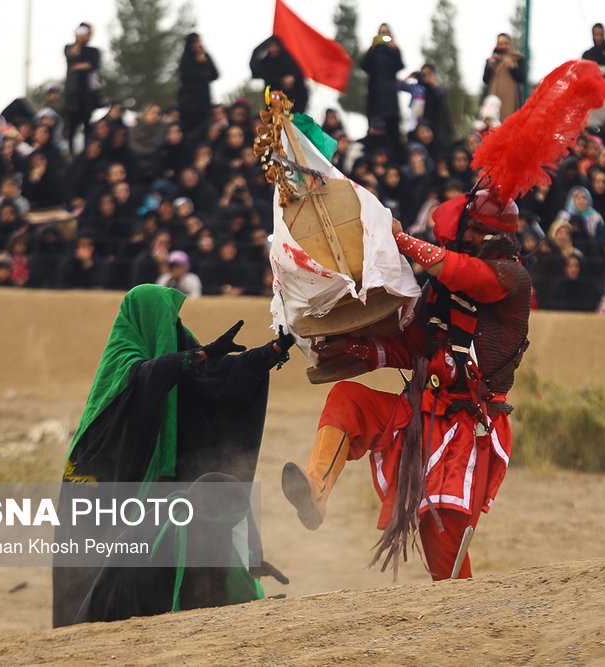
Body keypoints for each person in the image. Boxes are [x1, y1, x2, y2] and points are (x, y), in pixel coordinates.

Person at [281, 189, 531, 582]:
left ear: (480, 233)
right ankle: (315, 489)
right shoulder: (443, 288)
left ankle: (463, 619)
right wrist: (354, 347)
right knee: (347, 400)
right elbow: (414, 345)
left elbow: (468, 275)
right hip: (422, 409)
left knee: (442, 539)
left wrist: (400, 240)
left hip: (470, 426)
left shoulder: (510, 278)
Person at [53, 284, 295, 627]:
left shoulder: (180, 346)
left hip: (165, 484)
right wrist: (196, 358)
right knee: (102, 586)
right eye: (165, 318)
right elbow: (146, 375)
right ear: (144, 318)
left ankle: (229, 597)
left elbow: (218, 376)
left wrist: (274, 349)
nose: (173, 326)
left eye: (175, 318)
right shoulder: (121, 359)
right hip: (112, 487)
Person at [361, 24, 405, 157]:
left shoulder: (393, 51)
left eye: (386, 33)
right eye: (381, 33)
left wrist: (394, 47)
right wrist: (372, 47)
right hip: (376, 99)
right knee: (375, 133)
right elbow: (364, 66)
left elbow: (399, 66)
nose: (384, 36)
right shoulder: (374, 52)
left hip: (390, 98)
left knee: (393, 134)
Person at [64, 22, 103, 154]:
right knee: (72, 127)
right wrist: (78, 41)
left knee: (88, 128)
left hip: (88, 97)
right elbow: (72, 55)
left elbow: (92, 65)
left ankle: (88, 152)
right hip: (73, 96)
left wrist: (80, 65)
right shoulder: (69, 47)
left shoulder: (93, 51)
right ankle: (71, 152)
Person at [250, 36, 309, 114]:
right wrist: (281, 80)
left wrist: (292, 78)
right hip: (274, 105)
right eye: (271, 46)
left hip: (294, 104)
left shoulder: (288, 60)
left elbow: (299, 75)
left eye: (276, 46)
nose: (273, 49)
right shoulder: (265, 63)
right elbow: (255, 67)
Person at [177, 33, 220, 136]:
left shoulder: (205, 56)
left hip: (204, 100)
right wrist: (201, 68)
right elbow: (188, 76)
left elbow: (215, 74)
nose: (198, 44)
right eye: (196, 41)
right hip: (189, 101)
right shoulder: (186, 59)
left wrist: (205, 62)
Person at [582, 24, 605, 129]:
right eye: (596, 34)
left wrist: (595, 69)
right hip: (592, 95)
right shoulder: (587, 55)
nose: (598, 38)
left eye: (600, 35)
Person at [483, 34, 526, 123]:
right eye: (500, 43)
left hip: (510, 101)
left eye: (506, 43)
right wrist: (489, 66)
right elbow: (485, 80)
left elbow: (522, 78)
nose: (503, 46)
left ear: (510, 45)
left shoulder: (517, 59)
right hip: (493, 100)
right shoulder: (492, 60)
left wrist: (512, 66)